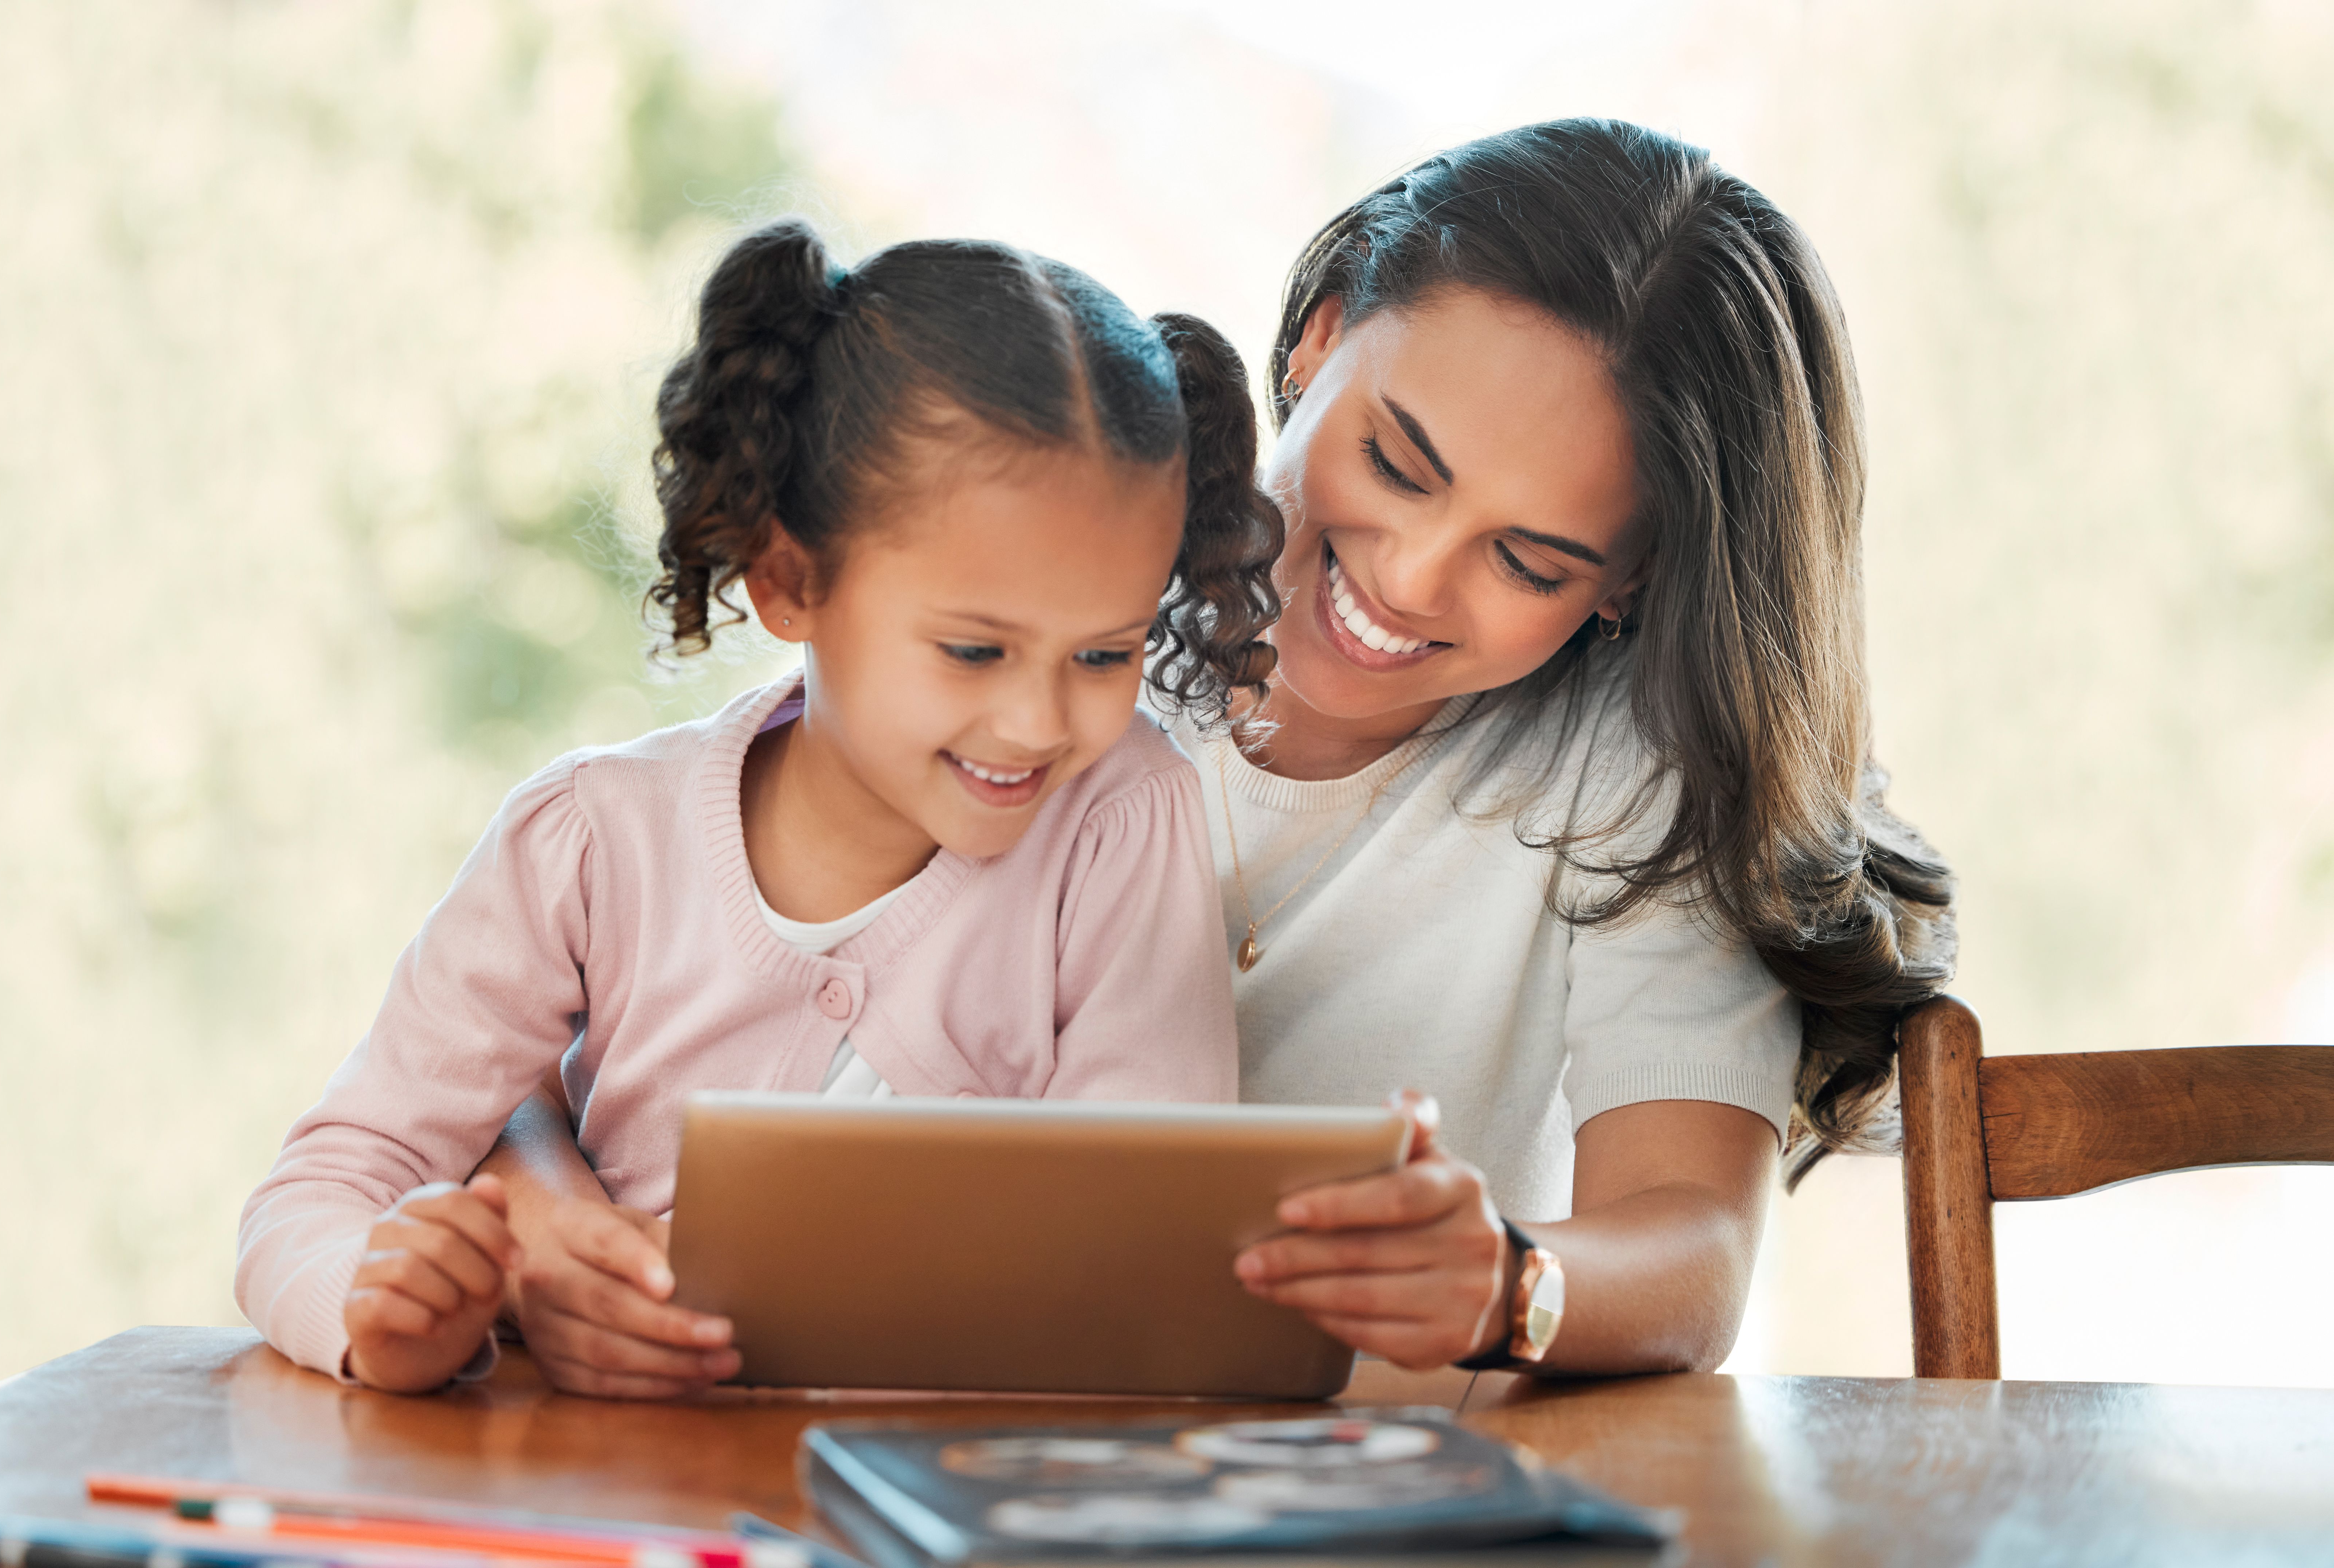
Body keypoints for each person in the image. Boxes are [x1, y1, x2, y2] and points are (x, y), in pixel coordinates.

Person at [478, 119, 1956, 1395]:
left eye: (1528, 556)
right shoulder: (1047, 577)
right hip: (787, 1415)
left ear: (1629, 580)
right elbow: (568, 1014)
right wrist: (541, 1212)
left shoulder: (1631, 783)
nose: (1409, 579)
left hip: (1279, 1482)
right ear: (1316, 337)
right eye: (1393, 461)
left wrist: (1509, 1284)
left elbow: (1687, 1246)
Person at [233, 219, 1282, 1393]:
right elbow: (327, 1185)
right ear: (790, 582)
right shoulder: (589, 839)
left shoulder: (1119, 822)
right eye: (976, 649)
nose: (1043, 723)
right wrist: (387, 1315)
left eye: (1105, 653)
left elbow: (1143, 1238)